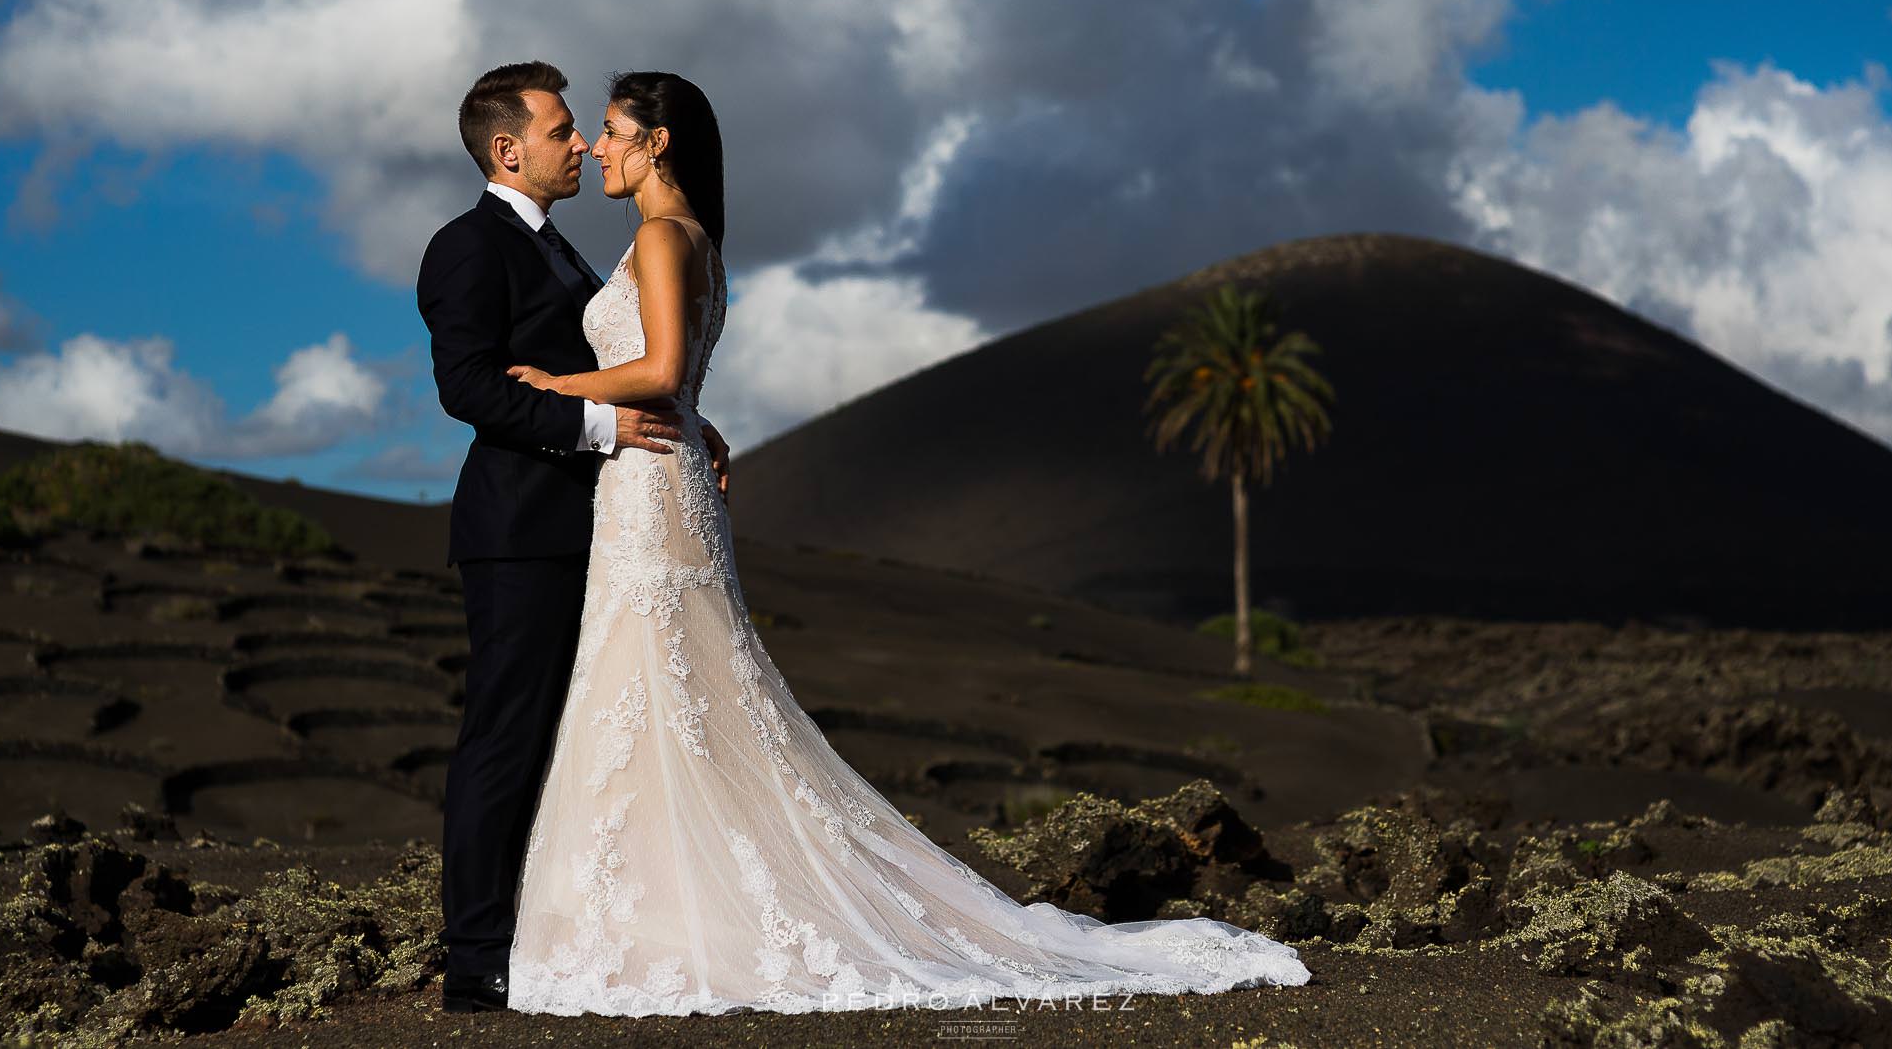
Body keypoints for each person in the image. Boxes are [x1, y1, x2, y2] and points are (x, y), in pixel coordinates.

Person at [497, 70, 1311, 1016]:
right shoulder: (698, 241)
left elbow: (665, 367)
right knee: (677, 697)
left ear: (657, 141)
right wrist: (695, 420)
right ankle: (668, 910)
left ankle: (671, 918)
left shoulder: (659, 234)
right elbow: (682, 382)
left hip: (651, 488)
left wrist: (551, 388)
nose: (596, 146)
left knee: (666, 690)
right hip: (658, 476)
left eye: (607, 129)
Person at [414, 61, 731, 1015]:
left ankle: (557, 931)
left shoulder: (569, 251)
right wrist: (596, 421)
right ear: (509, 148)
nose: (582, 144)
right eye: (562, 130)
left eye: (586, 129)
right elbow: (468, 385)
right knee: (505, 736)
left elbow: (628, 358)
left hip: (588, 524)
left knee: (569, 735)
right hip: (519, 528)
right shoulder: (466, 246)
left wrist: (690, 419)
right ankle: (475, 957)